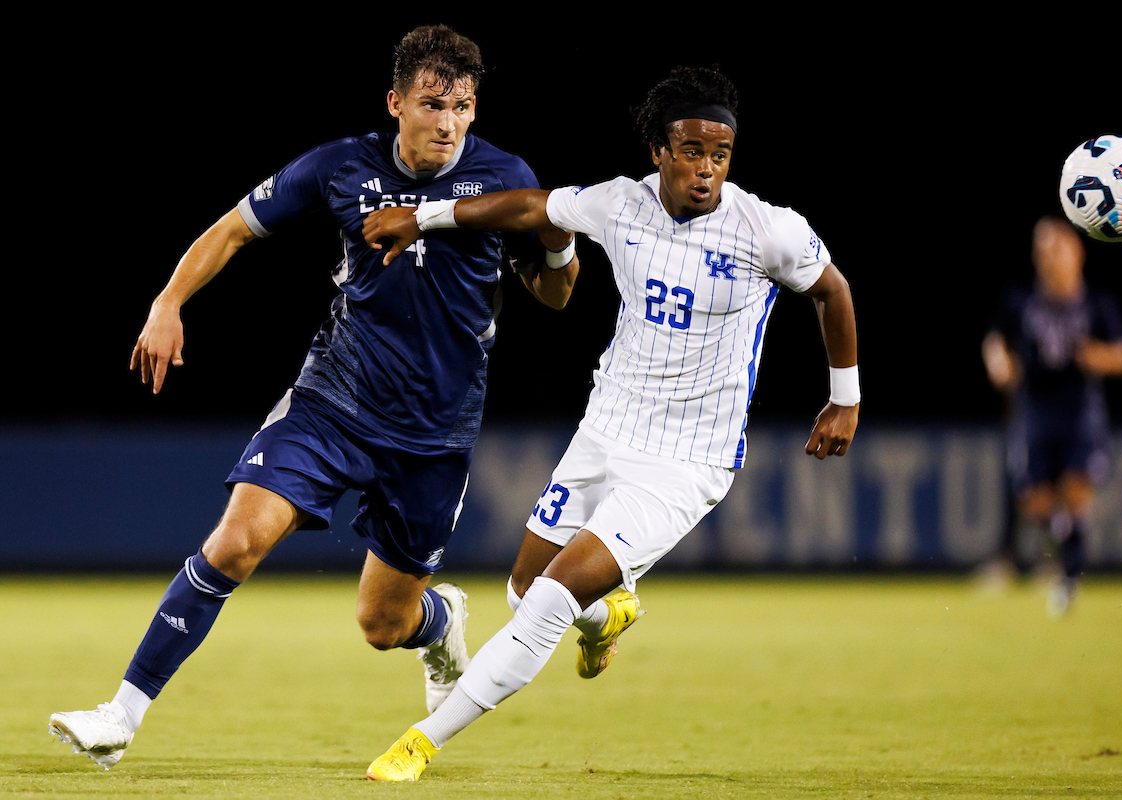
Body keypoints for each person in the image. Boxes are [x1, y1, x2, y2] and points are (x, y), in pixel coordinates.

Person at [48, 25, 579, 771]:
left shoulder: (502, 175)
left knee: (382, 623)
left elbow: (556, 295)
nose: (449, 123)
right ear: (396, 102)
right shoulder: (341, 167)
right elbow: (234, 229)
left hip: (435, 434)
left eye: (463, 105)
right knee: (234, 541)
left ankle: (439, 621)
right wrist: (168, 302)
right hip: (333, 400)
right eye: (433, 104)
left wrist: (557, 237)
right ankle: (121, 714)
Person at [359, 64, 861, 782]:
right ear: (658, 149)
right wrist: (423, 216)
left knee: (552, 599)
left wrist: (845, 398)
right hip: (605, 432)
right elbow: (534, 207)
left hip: (686, 463)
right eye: (691, 151)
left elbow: (832, 291)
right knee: (525, 591)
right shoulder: (620, 205)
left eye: (720, 155)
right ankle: (607, 621)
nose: (706, 170)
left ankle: (422, 741)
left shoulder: (767, 230)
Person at [980, 216, 1122, 616]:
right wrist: (999, 362)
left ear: (1077, 254)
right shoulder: (1022, 300)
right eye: (1042, 251)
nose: (1048, 258)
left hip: (1081, 413)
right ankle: (1063, 551)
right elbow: (996, 338)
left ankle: (1067, 582)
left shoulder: (1096, 302)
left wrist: (1095, 356)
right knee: (1036, 504)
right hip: (1034, 412)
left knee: (1076, 493)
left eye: (1057, 249)